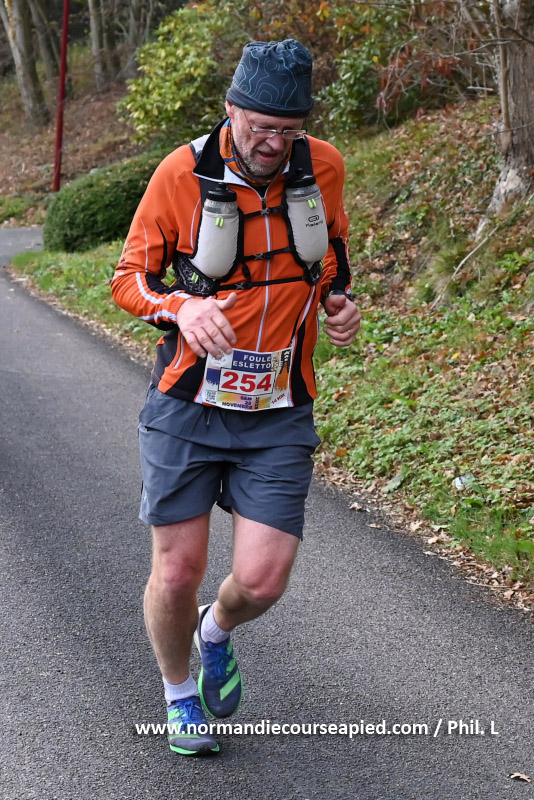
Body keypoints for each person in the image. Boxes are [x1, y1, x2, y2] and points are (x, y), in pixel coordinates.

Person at [111, 38, 361, 756]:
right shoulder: (181, 174)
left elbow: (334, 259)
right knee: (177, 572)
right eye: (260, 127)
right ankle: (178, 695)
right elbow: (128, 279)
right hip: (188, 403)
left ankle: (214, 631)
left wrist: (341, 304)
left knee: (261, 581)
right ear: (230, 110)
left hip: (279, 406)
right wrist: (182, 307)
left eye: (289, 130)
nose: (274, 143)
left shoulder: (323, 168)